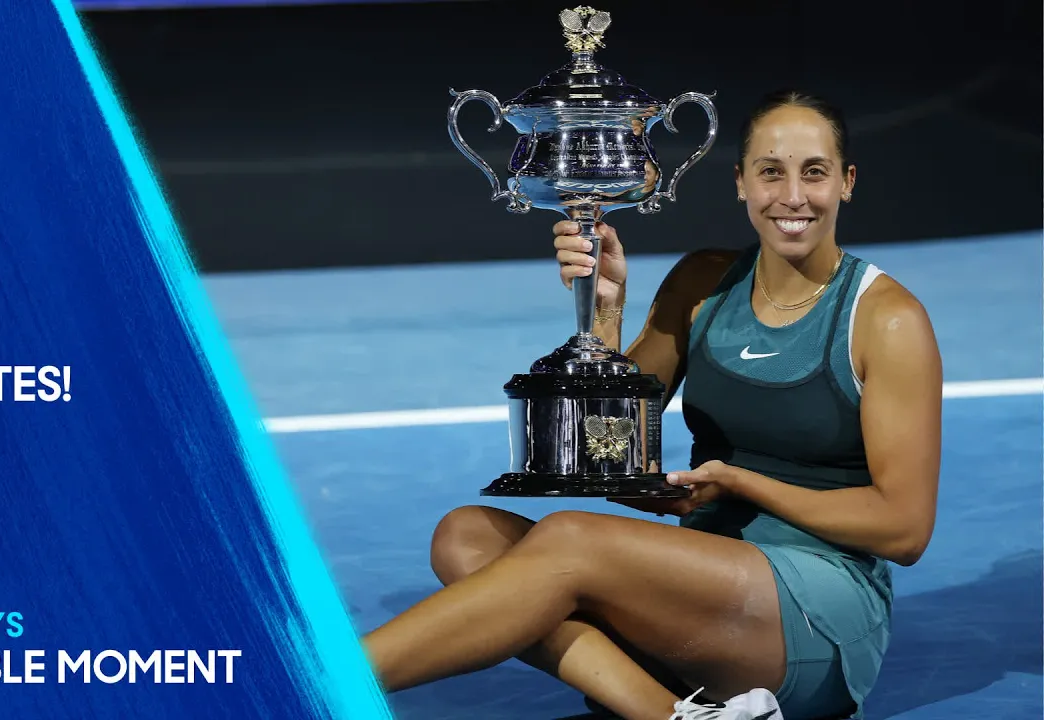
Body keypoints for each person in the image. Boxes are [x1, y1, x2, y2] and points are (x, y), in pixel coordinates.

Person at [360, 90, 943, 720]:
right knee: (466, 535)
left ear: (847, 183)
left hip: (813, 618)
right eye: (771, 172)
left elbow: (904, 530)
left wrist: (740, 484)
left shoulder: (887, 319)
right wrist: (605, 314)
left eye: (815, 172)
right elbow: (602, 446)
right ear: (741, 183)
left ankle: (315, 683)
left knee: (571, 541)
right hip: (695, 603)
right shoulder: (701, 283)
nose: (793, 196)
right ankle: (668, 714)